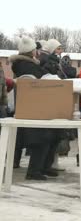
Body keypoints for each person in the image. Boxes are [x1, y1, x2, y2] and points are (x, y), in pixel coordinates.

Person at [9, 37, 59, 180]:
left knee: (47, 136)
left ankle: (41, 167)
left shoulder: (24, 64)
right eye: (34, 50)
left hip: (31, 105)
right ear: (31, 51)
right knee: (41, 137)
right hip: (33, 106)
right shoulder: (27, 65)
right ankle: (34, 171)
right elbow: (40, 81)